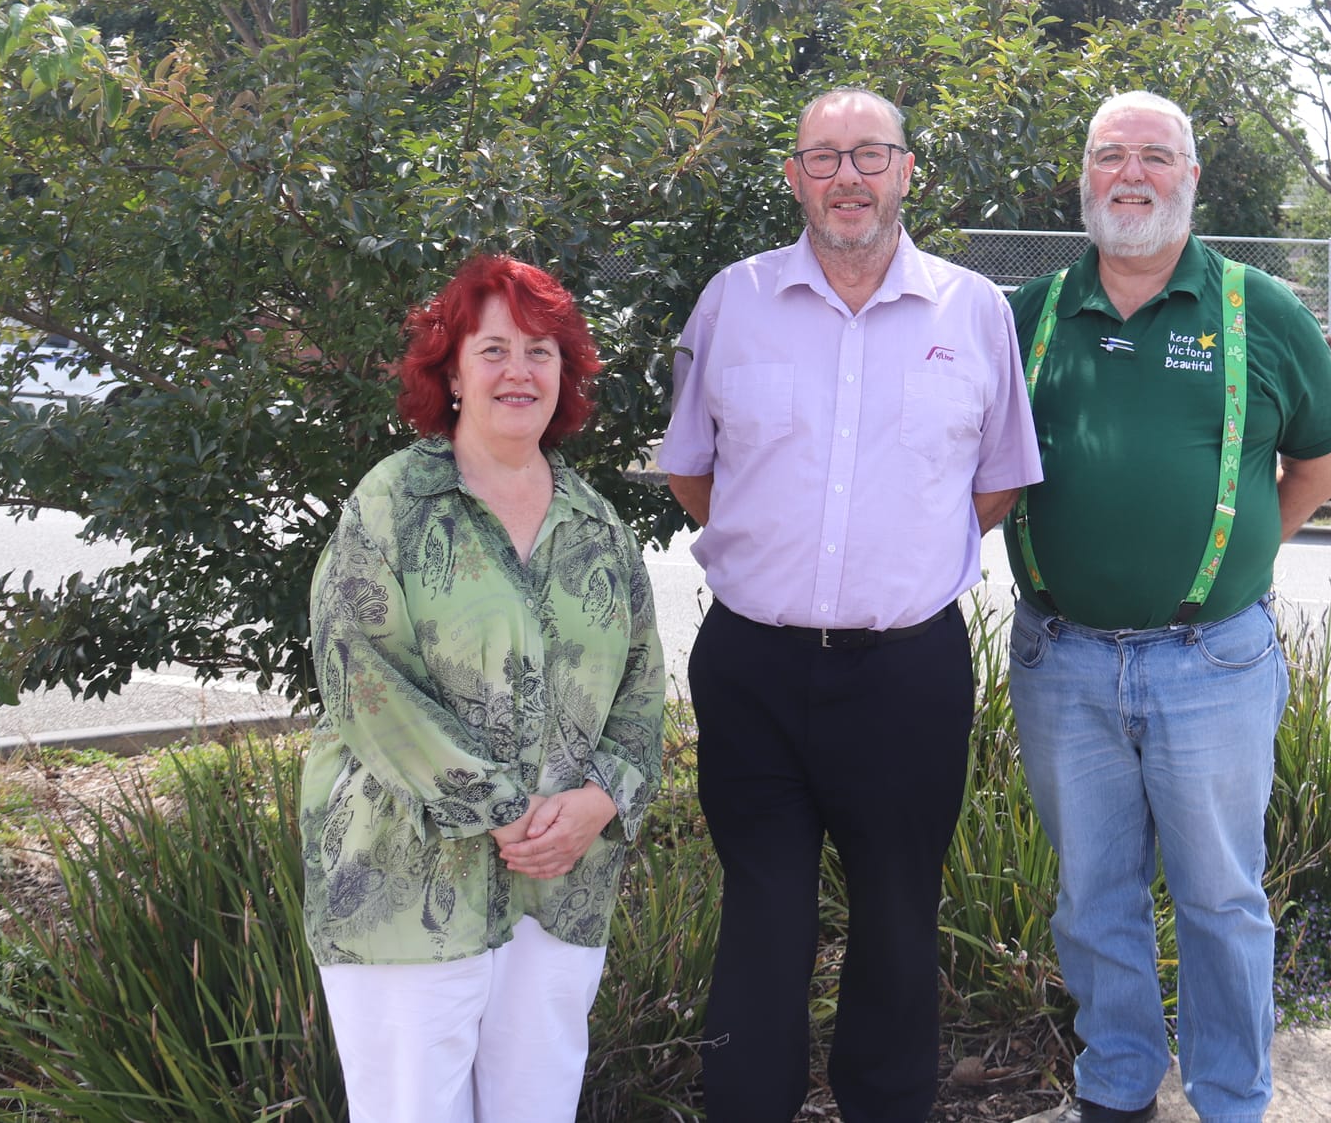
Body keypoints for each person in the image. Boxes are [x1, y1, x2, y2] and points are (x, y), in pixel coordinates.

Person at [660, 87, 1043, 1122]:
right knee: (763, 916)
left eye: (868, 154)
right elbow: (696, 470)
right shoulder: (729, 300)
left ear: (906, 170)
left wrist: (894, 553)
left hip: (905, 671)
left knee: (896, 920)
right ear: (792, 176)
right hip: (753, 667)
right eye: (822, 157)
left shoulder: (973, 311)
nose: (846, 176)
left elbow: (995, 482)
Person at [1005, 91, 1331, 1123]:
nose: (1130, 174)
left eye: (1155, 155)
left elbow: (1321, 463)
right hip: (1059, 660)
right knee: (1091, 901)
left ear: (1189, 178)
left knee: (1221, 901)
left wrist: (1228, 564)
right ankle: (1114, 1092)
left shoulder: (1259, 310)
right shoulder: (1024, 314)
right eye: (1108, 154)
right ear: (1083, 179)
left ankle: (1229, 1101)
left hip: (1212, 664)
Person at [299, 253, 664, 1123]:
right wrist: (502, 809)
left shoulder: (596, 525)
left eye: (542, 351)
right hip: (404, 886)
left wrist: (598, 803)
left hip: (561, 885)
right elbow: (360, 676)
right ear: (451, 370)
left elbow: (644, 691)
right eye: (494, 348)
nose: (520, 371)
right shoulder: (391, 504)